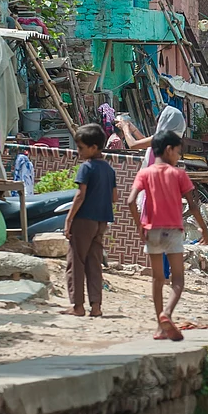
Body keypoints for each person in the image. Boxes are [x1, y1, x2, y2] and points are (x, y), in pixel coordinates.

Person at [127, 130, 208, 341]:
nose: (179, 156)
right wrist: (204, 230)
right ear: (168, 150)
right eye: (178, 152)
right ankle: (167, 313)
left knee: (157, 279)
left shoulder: (145, 173)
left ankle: (159, 326)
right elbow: (193, 206)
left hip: (151, 230)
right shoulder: (179, 174)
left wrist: (139, 226)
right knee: (178, 279)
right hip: (173, 230)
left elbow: (130, 201)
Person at [61, 124, 116, 317]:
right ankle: (96, 306)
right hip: (102, 221)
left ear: (93, 147)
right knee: (94, 263)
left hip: (84, 220)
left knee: (75, 262)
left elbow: (80, 195)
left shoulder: (86, 168)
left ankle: (77, 306)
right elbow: (114, 197)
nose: (78, 152)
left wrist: (69, 219)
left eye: (81, 148)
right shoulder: (109, 169)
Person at [116, 105, 186, 170]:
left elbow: (133, 145)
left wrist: (125, 128)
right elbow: (144, 141)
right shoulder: (173, 140)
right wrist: (132, 128)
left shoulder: (164, 139)